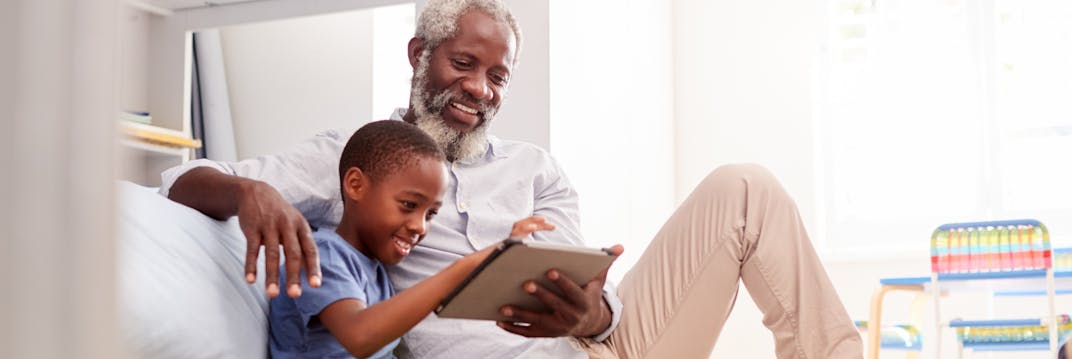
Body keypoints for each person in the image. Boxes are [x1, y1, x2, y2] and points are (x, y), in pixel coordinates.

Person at [161, 0, 863, 357]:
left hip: (596, 350)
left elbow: (596, 299)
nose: (480, 88)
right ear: (419, 54)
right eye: (462, 64)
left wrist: (594, 312)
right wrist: (248, 191)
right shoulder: (357, 157)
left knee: (745, 186)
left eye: (497, 75)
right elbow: (181, 179)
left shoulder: (537, 169)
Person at [268, 120, 558, 358]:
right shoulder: (321, 255)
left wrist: (507, 257)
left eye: (430, 214)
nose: (420, 226)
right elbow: (360, 336)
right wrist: (464, 268)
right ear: (356, 185)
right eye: (408, 205)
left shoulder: (375, 271)